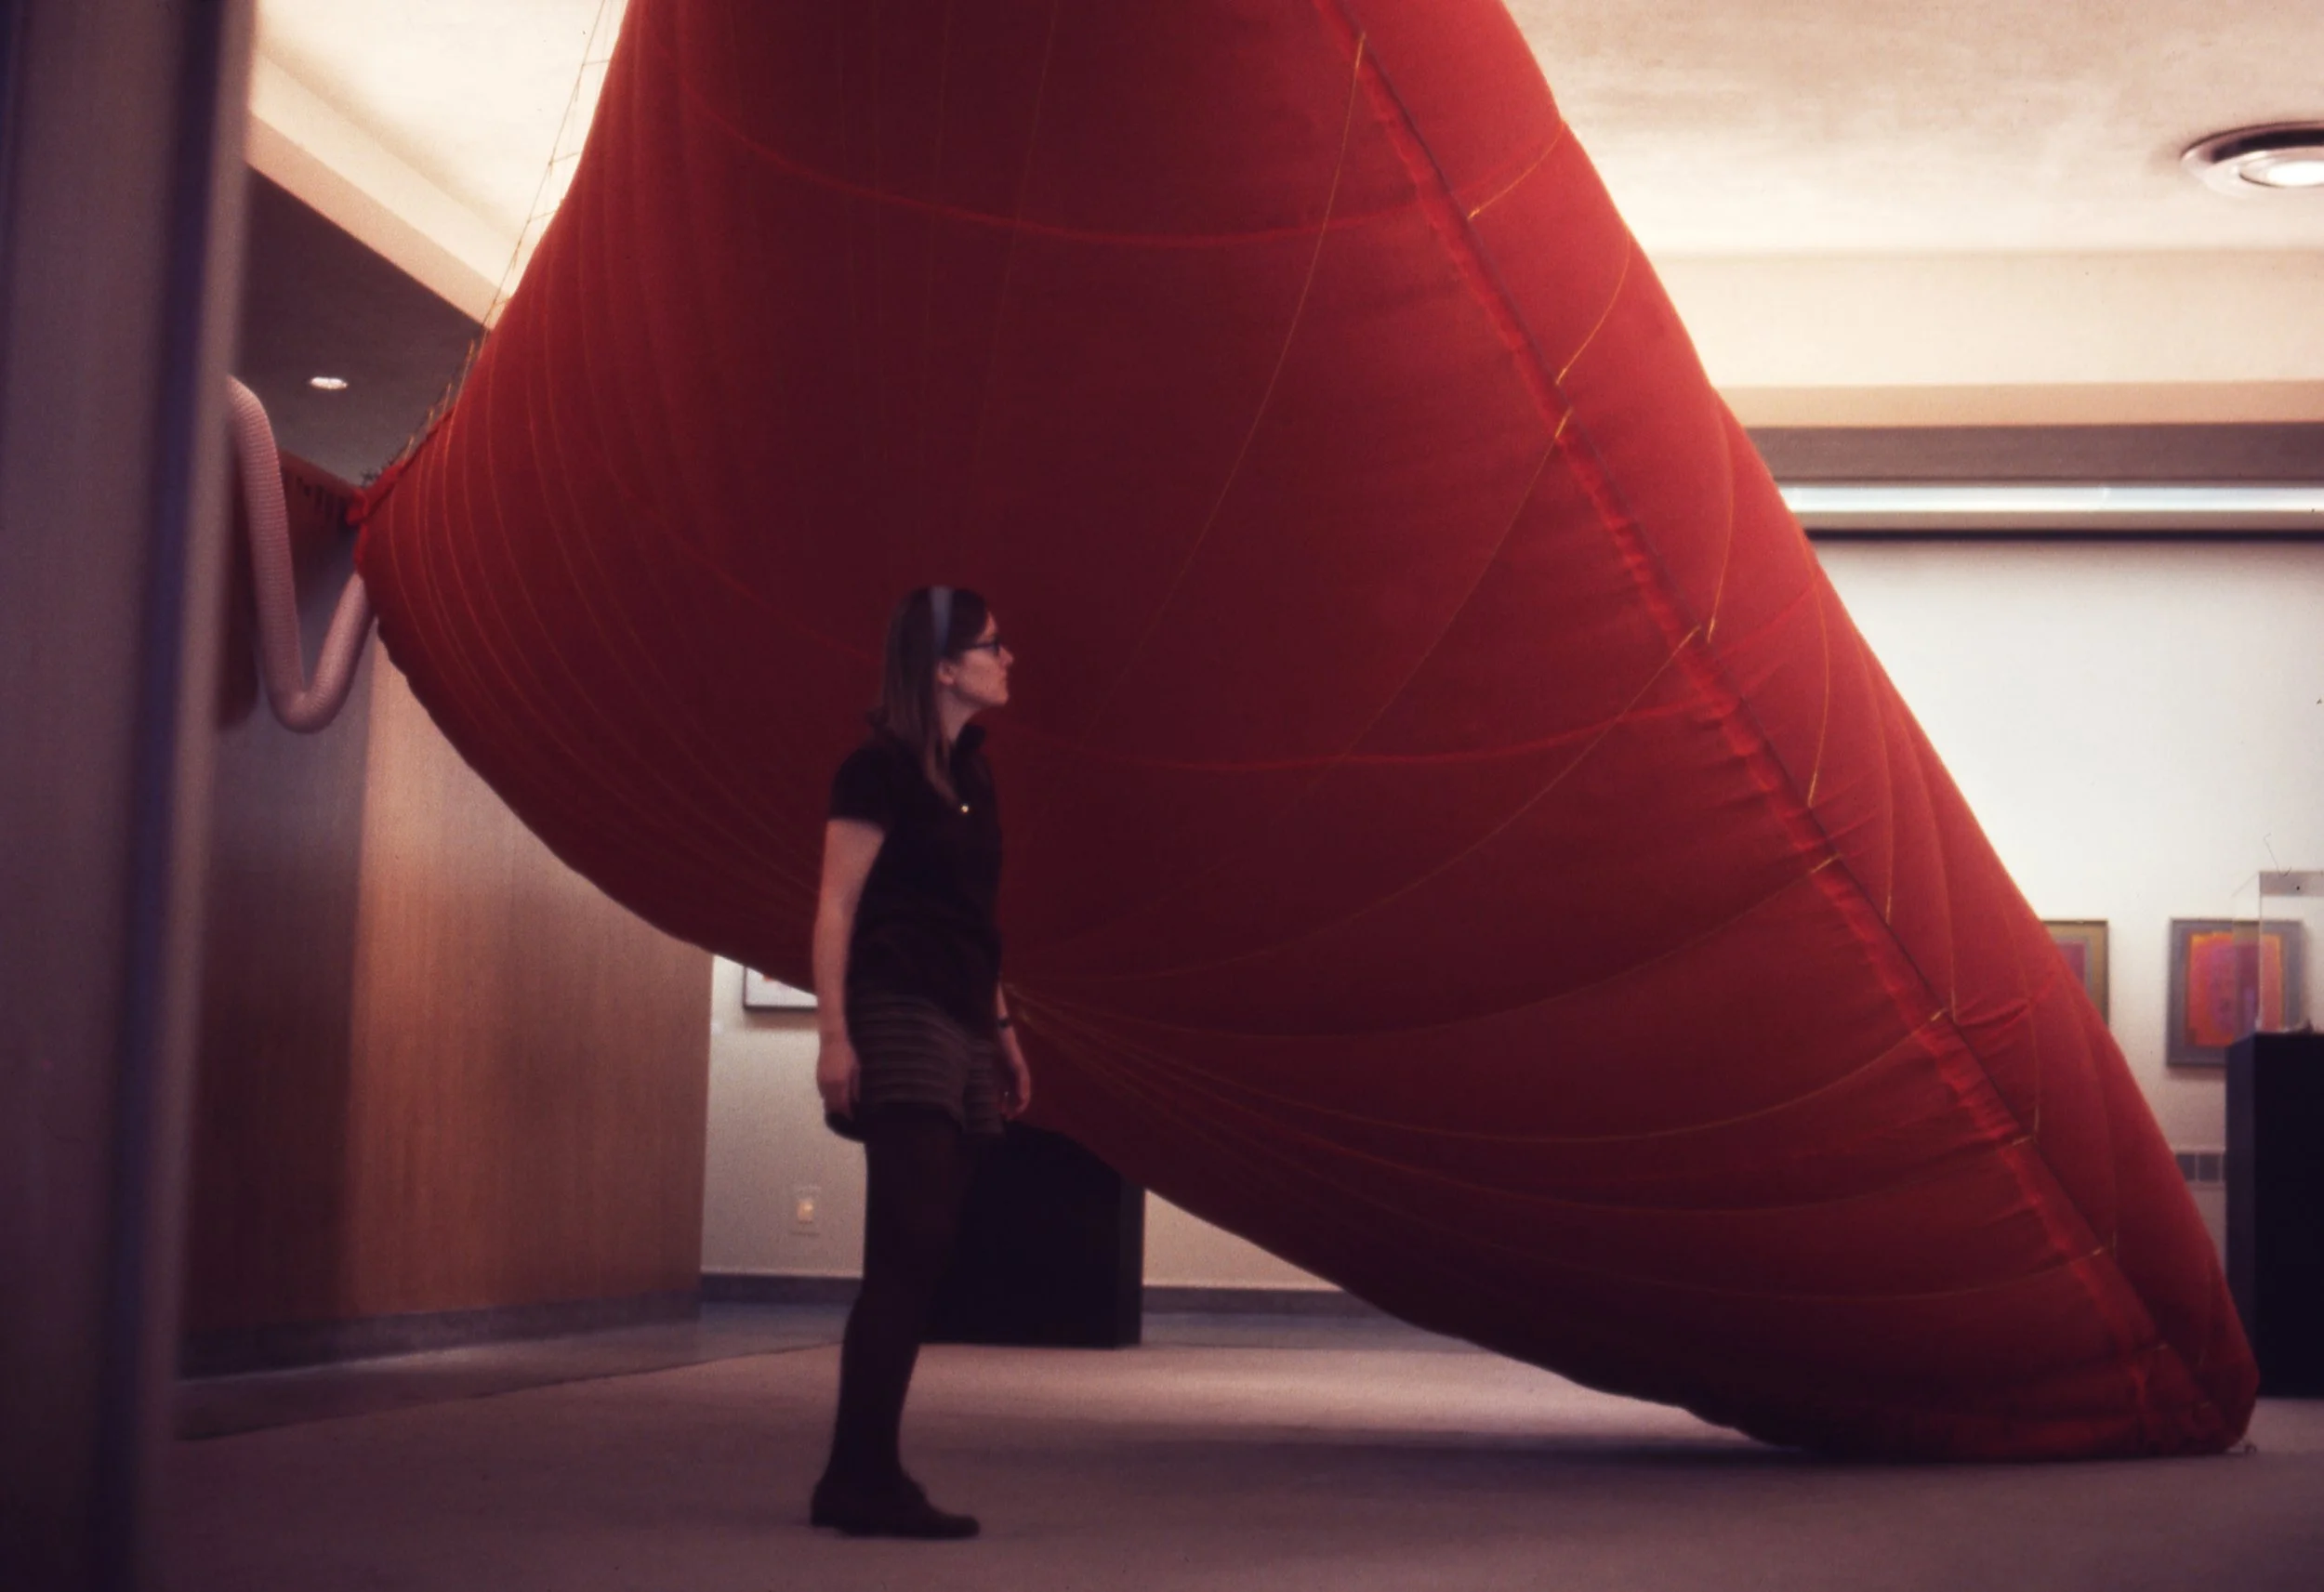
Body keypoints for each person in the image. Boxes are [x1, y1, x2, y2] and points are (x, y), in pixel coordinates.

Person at [808, 585, 1031, 1540]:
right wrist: (831, 1034)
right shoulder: (876, 771)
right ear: (943, 667)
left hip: (962, 1017)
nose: (1007, 657)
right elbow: (836, 906)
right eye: (992, 645)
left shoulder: (975, 779)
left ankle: (856, 1474)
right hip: (896, 1008)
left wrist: (1005, 1029)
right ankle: (860, 1480)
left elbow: (974, 925)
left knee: (925, 1246)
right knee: (905, 1248)